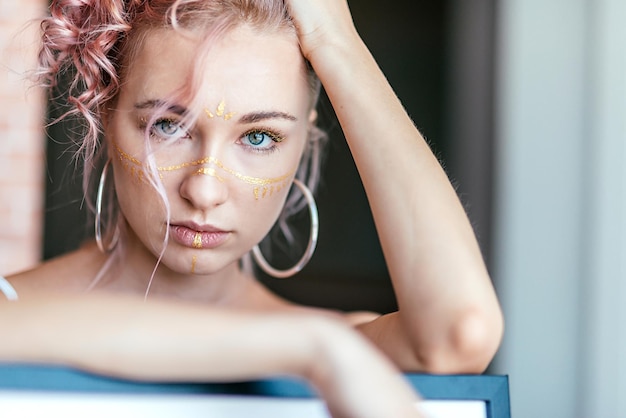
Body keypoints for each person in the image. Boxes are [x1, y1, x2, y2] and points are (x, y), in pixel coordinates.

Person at [0, 0, 503, 415]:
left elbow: (460, 331)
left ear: (306, 138)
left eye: (260, 136)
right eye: (168, 127)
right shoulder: (327, 349)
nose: (205, 190)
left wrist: (338, 45)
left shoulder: (343, 348)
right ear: (108, 116)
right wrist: (309, 348)